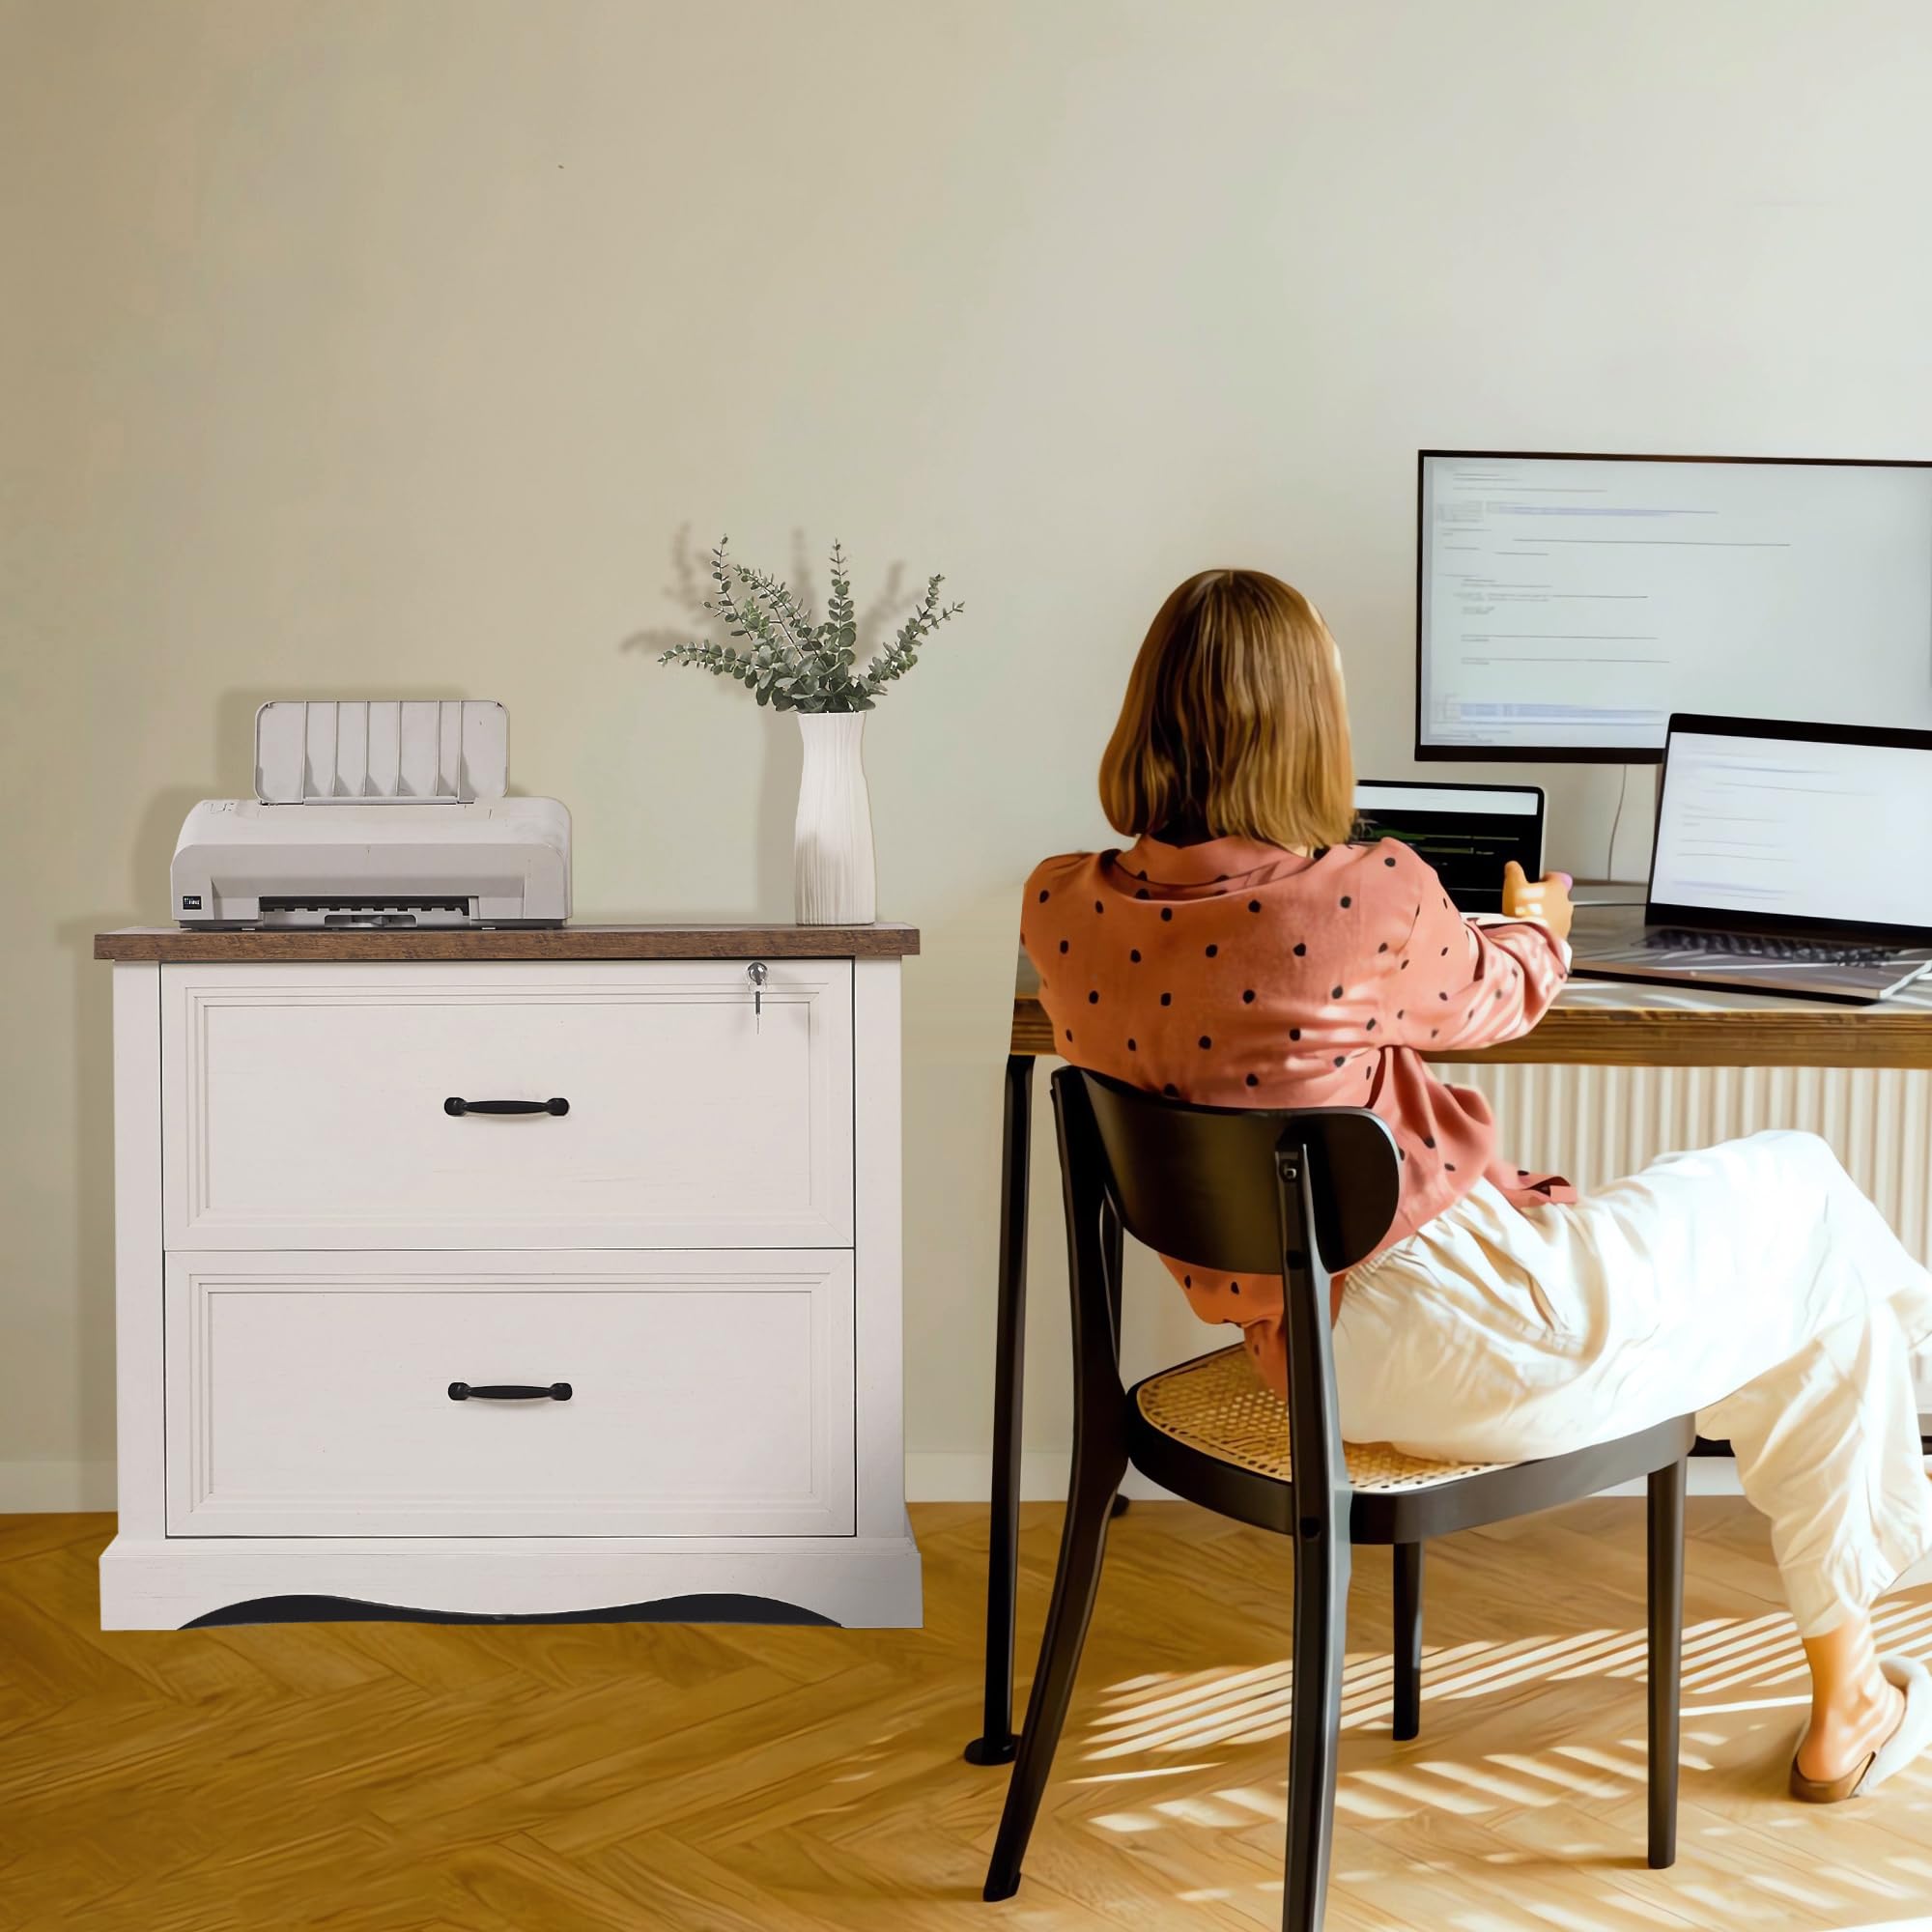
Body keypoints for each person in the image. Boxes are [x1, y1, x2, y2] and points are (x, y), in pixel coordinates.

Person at [1023, 567, 1932, 1803]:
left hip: (1309, 1357)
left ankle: (1850, 1695)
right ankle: (1857, 1666)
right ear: (1302, 726)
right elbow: (1497, 993)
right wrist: (1543, 919)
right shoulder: (1362, 891)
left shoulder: (1061, 907)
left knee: (1801, 1294)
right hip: (1483, 1328)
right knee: (1808, 1194)